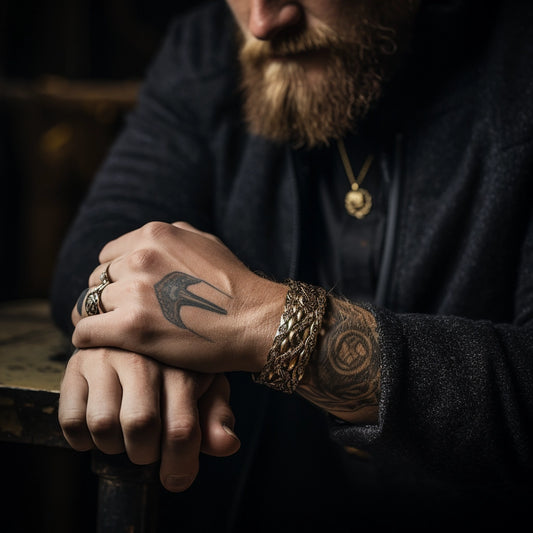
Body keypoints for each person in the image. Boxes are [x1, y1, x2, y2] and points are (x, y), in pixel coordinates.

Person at [51, 0, 533, 531]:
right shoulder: (208, 43)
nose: (262, 22)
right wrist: (138, 324)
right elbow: (101, 240)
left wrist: (268, 324)